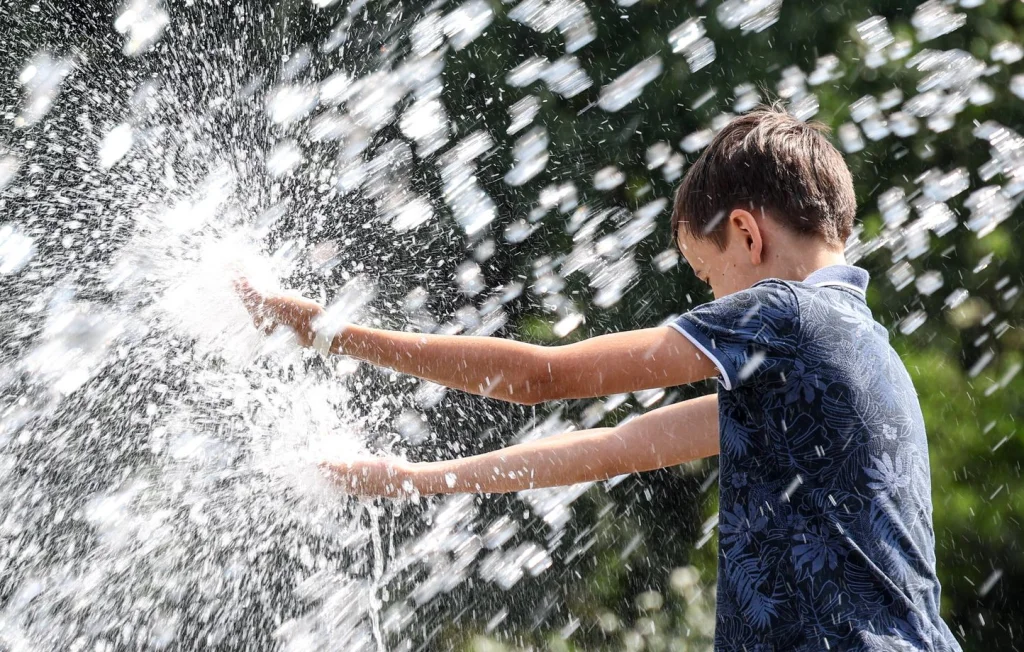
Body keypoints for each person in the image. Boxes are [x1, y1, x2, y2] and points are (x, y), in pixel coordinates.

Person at [235, 106, 961, 651]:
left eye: (711, 280)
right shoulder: (840, 357)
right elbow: (612, 446)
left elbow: (539, 378)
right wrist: (411, 477)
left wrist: (327, 332)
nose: (716, 302)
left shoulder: (787, 315)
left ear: (747, 233)